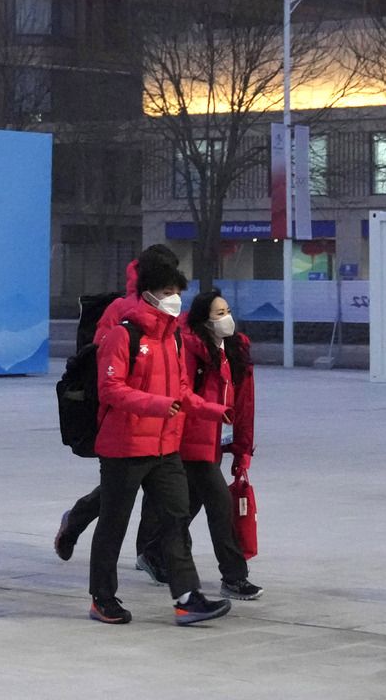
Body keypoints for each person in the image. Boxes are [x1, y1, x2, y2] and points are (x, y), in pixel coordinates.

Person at [87, 261, 233, 627]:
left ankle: (187, 598)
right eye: (167, 292)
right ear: (148, 294)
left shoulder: (174, 337)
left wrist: (213, 410)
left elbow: (182, 390)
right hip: (125, 446)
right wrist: (157, 405)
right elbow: (111, 389)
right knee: (113, 523)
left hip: (166, 446)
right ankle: (102, 598)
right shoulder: (124, 335)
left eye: (177, 291)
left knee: (176, 519)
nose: (175, 299)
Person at [133, 290, 261, 600]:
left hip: (217, 442)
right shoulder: (190, 349)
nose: (226, 318)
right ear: (204, 319)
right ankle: (234, 576)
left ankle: (153, 552)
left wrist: (242, 450)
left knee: (186, 507)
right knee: (220, 505)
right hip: (191, 441)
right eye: (219, 314)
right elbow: (183, 394)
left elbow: (244, 405)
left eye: (227, 310)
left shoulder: (236, 350)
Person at [52, 245, 177, 561]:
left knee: (161, 491)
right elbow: (102, 367)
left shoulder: (172, 311)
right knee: (118, 495)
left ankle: (151, 554)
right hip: (126, 419)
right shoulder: (121, 311)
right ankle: (78, 522)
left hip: (166, 416)